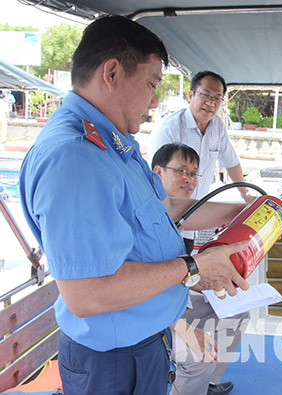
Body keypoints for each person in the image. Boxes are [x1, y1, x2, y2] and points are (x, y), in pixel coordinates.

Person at [19, 15, 250, 395]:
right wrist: (194, 266)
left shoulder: (114, 145)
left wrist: (241, 211)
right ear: (112, 73)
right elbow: (87, 294)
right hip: (110, 365)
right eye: (151, 84)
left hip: (145, 346)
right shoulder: (75, 158)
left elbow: (167, 208)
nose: (155, 100)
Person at [151, 143, 249, 395]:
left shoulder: (180, 222)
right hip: (153, 321)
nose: (189, 179)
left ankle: (208, 386)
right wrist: (185, 329)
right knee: (200, 353)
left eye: (194, 173)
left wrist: (205, 281)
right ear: (157, 172)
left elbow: (176, 274)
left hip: (173, 307)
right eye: (182, 171)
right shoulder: (150, 223)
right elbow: (144, 290)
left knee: (236, 314)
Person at [149, 70, 253, 204]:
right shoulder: (169, 129)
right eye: (205, 95)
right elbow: (155, 176)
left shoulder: (217, 126)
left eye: (217, 98)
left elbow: (231, 162)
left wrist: (246, 196)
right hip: (170, 207)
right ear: (191, 95)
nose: (211, 103)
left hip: (198, 207)